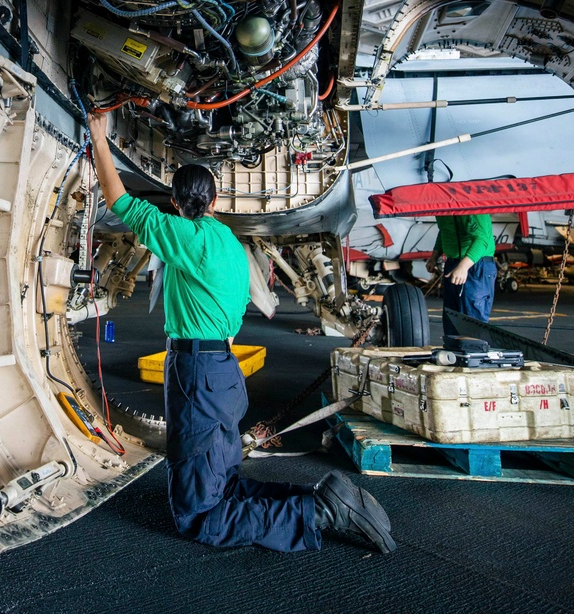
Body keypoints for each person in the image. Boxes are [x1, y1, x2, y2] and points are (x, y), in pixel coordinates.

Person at [86, 112, 396, 555]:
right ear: (213, 203)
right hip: (221, 372)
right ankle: (320, 502)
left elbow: (120, 201)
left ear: (177, 204)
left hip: (198, 373)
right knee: (223, 484)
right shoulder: (230, 245)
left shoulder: (189, 239)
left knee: (200, 516)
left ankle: (322, 513)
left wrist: (99, 138)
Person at [429, 212, 496, 339]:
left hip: (477, 263)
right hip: (453, 262)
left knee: (472, 319)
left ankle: (474, 354)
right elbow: (444, 231)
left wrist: (464, 266)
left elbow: (482, 239)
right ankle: (453, 354)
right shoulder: (442, 208)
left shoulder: (473, 208)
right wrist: (434, 257)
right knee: (452, 317)